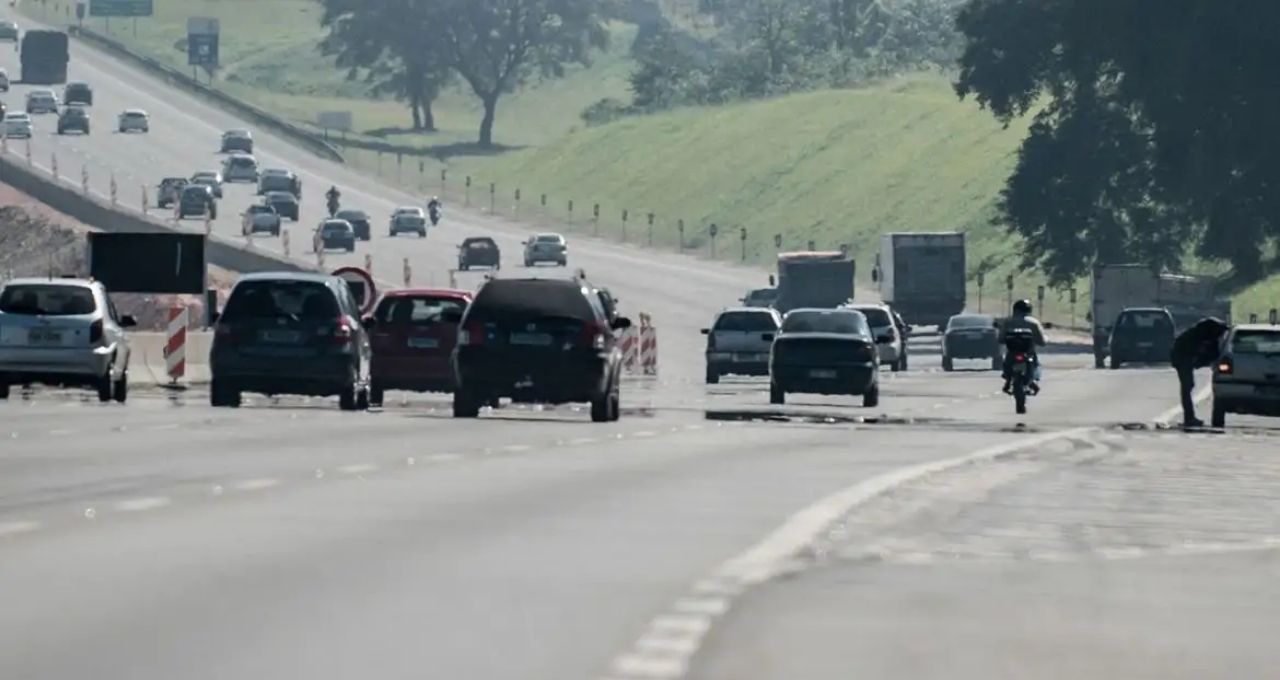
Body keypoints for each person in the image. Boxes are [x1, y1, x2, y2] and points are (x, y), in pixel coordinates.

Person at [1169, 316, 1230, 427]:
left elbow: (1209, 354)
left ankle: (1189, 417)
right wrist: (1199, 362)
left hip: (1182, 357)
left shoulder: (1200, 334)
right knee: (1187, 387)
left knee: (1187, 387)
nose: (1221, 336)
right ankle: (1189, 418)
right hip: (1181, 358)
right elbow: (1209, 354)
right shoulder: (1198, 337)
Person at [1001, 299, 1047, 394]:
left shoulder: (1008, 322)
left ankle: (1009, 379)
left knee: (1008, 362)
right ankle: (1032, 380)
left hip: (1012, 353)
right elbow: (1042, 341)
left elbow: (1000, 339)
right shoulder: (1034, 323)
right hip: (1028, 353)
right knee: (1036, 365)